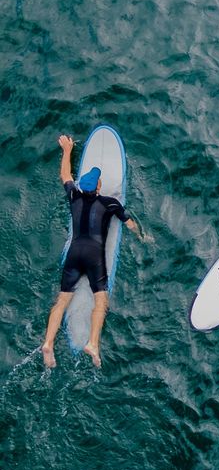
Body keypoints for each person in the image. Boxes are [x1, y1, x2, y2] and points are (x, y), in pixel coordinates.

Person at [41, 135, 146, 368]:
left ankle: (48, 343)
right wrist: (143, 236)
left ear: (82, 187)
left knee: (61, 302)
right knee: (101, 301)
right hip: (94, 257)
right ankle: (93, 344)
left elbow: (65, 176)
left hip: (74, 254)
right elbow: (129, 223)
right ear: (98, 187)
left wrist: (67, 149)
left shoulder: (73, 196)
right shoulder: (110, 203)